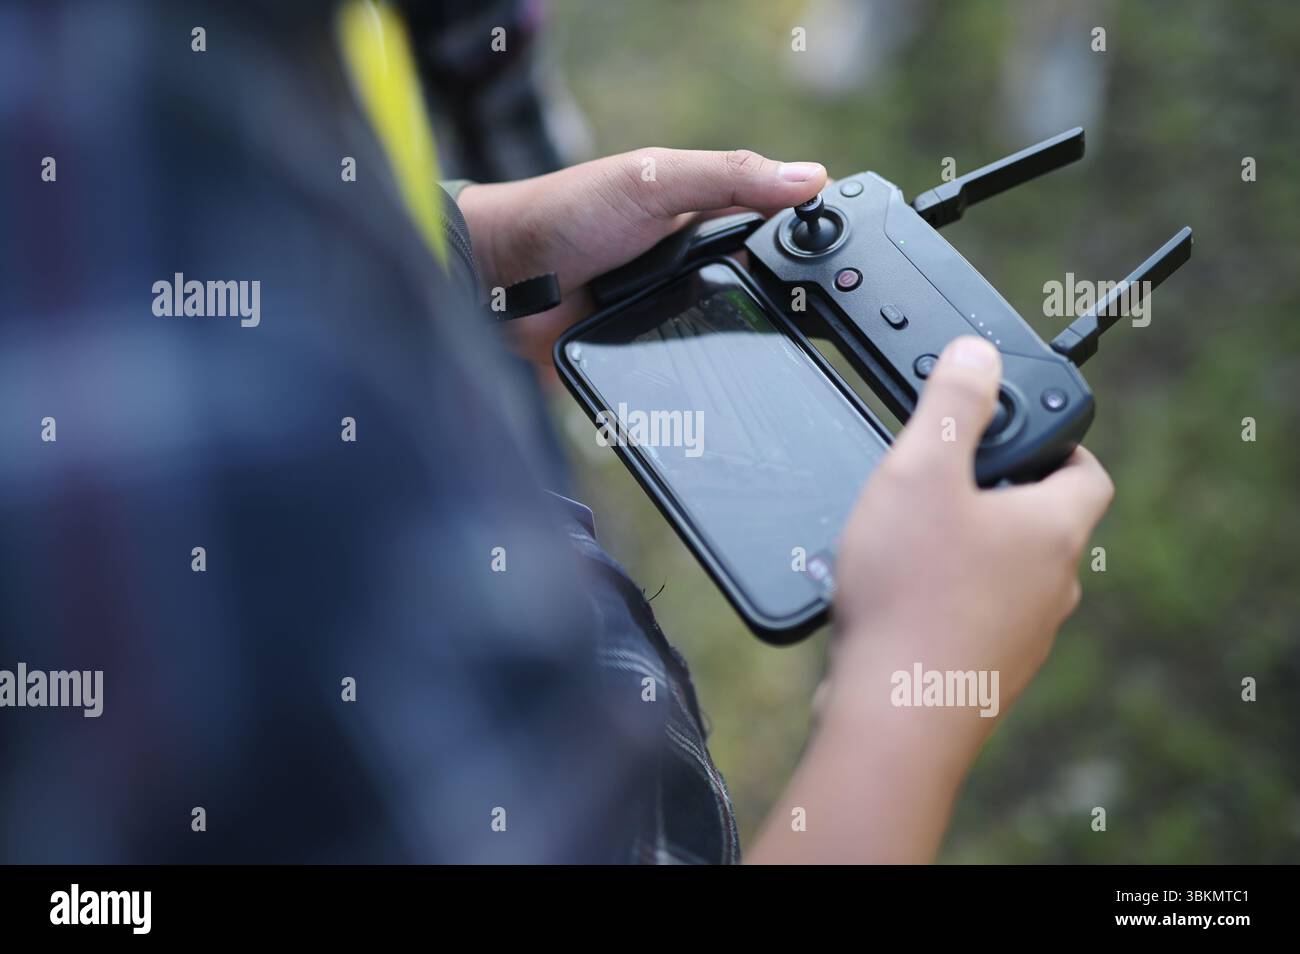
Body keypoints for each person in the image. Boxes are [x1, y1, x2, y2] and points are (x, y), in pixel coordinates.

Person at [0, 0, 1111, 864]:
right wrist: (911, 689)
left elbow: (191, 254)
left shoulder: (106, 73)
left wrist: (483, 247)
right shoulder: (178, 521)